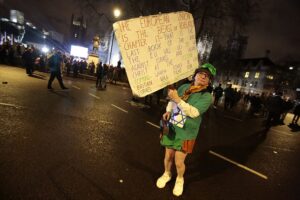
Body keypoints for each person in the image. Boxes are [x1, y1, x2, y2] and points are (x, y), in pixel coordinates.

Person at [156, 63, 216, 197]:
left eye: (207, 76)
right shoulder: (183, 87)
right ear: (195, 75)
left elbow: (194, 112)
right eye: (201, 73)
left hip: (187, 132)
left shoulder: (206, 96)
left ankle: (179, 179)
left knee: (179, 161)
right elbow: (172, 101)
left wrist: (177, 99)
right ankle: (167, 174)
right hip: (172, 127)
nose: (203, 77)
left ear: (209, 81)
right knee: (168, 156)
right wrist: (168, 111)